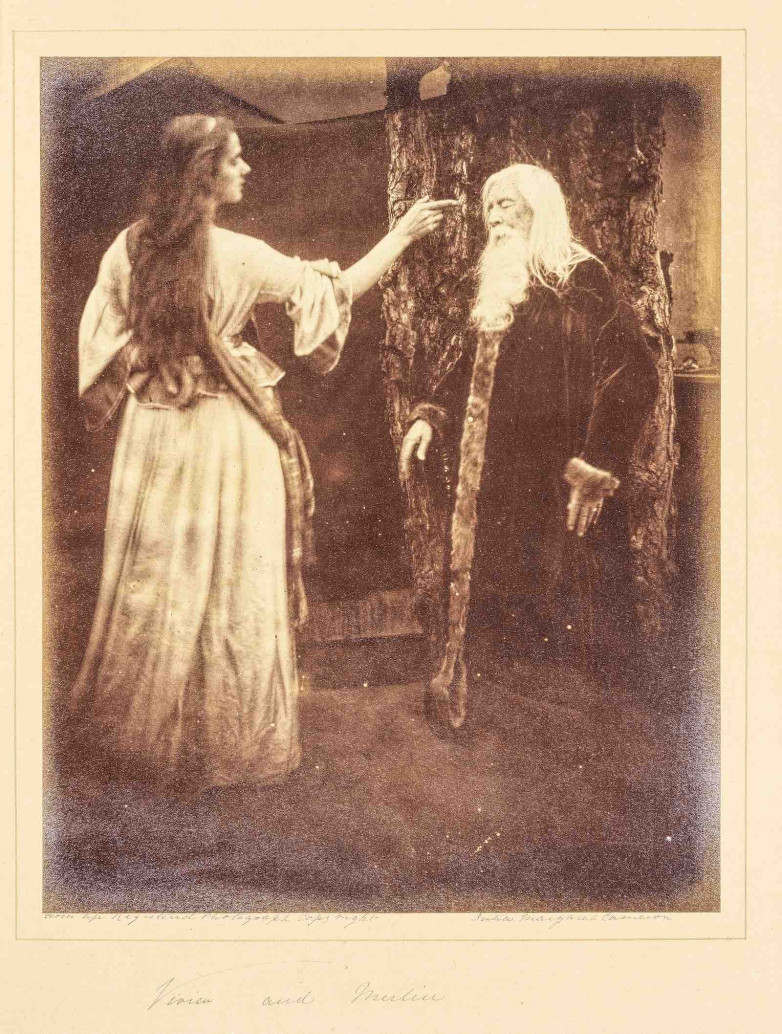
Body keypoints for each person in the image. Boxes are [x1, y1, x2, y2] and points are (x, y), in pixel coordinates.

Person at [69, 114, 458, 787]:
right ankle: (227, 742)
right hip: (225, 435)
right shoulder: (241, 255)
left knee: (161, 574)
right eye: (235, 160)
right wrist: (400, 235)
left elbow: (103, 343)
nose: (246, 169)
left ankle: (148, 737)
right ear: (205, 174)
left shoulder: (127, 247)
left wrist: (162, 358)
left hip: (152, 432)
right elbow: (336, 290)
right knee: (229, 580)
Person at [399, 163, 659, 725]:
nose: (493, 219)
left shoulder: (579, 278)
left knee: (573, 619)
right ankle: (512, 724)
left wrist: (596, 462)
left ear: (538, 211)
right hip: (503, 479)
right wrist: (431, 416)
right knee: (508, 617)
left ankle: (584, 732)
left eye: (507, 206)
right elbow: (469, 370)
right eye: (489, 208)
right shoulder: (502, 282)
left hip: (560, 476)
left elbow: (634, 373)